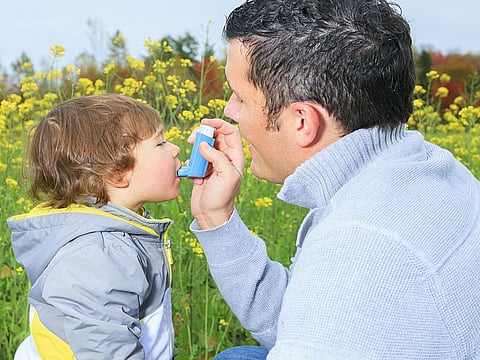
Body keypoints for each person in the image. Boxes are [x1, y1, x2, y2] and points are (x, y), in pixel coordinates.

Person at [188, 0, 480, 359]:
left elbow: (335, 307)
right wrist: (215, 218)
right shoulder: (428, 167)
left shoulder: (354, 250)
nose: (228, 111)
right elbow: (301, 320)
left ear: (302, 122)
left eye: (241, 98)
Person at [7, 94, 181, 359]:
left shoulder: (119, 228)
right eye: (160, 143)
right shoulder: (97, 257)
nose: (175, 149)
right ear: (117, 174)